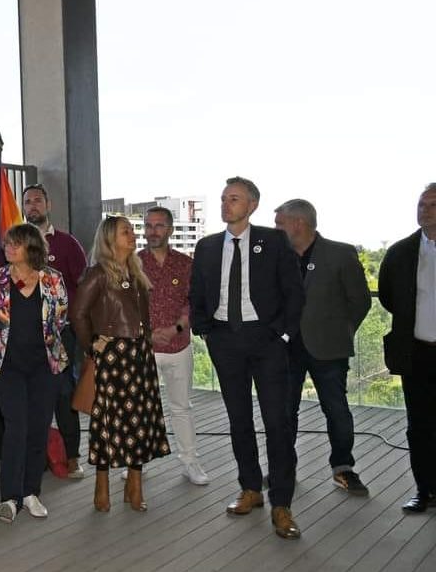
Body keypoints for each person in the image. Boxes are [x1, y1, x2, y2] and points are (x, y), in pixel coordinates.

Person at [190, 177, 304, 540]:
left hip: (266, 341)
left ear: (252, 205)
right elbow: (197, 294)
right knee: (238, 418)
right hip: (225, 340)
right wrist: (204, 329)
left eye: (234, 199)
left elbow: (294, 292)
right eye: (223, 199)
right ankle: (250, 488)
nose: (226, 204)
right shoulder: (207, 246)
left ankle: (282, 503)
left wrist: (282, 334)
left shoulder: (273, 242)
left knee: (277, 422)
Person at [274, 199, 372, 496]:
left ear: (298, 223)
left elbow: (360, 301)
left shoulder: (340, 254)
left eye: (280, 223)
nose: (276, 229)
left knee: (337, 411)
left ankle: (343, 468)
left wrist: (342, 332)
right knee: (283, 412)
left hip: (329, 349)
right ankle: (283, 469)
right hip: (287, 349)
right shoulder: (277, 256)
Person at [73, 216, 171, 512]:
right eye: (125, 231)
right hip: (113, 358)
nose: (133, 235)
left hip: (140, 355)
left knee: (140, 421)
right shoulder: (98, 273)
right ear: (109, 239)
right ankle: (101, 486)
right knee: (106, 423)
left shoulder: (136, 272)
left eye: (132, 230)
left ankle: (135, 484)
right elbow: (77, 314)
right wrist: (92, 345)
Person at [0, 223, 69, 523]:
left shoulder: (53, 279)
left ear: (31, 247)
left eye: (15, 243)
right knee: (16, 426)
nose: (8, 248)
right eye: (6, 243)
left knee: (38, 427)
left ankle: (31, 491)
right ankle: (9, 497)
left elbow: (60, 318)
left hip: (45, 366)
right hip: (8, 367)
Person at [138, 207, 210, 485]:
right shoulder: (133, 264)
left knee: (181, 407)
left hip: (179, 346)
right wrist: (149, 334)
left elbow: (193, 302)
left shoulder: (185, 264)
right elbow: (127, 307)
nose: (152, 231)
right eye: (148, 225)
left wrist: (176, 328)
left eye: (159, 226)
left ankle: (190, 462)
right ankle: (137, 463)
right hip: (145, 348)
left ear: (169, 229)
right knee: (142, 406)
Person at [22, 183, 88, 478]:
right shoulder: (13, 243)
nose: (33, 205)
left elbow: (83, 287)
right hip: (25, 337)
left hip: (61, 334)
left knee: (64, 394)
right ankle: (34, 457)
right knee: (30, 398)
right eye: (28, 201)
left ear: (48, 206)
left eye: (38, 200)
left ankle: (72, 455)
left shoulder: (67, 244)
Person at [379, 183, 436, 512]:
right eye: (421, 204)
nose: (424, 210)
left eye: (432, 205)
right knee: (419, 426)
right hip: (417, 352)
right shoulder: (400, 253)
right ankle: (425, 490)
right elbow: (388, 296)